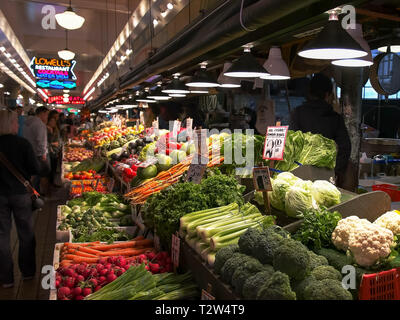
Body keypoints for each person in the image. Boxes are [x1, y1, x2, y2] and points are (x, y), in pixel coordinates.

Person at [0, 108, 40, 288]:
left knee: (2, 236)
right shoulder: (22, 144)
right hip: (21, 194)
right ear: (10, 124)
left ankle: (6, 279)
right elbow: (35, 168)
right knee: (26, 233)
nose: (18, 124)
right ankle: (28, 272)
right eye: (16, 121)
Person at [289, 73, 351, 188]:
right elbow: (345, 148)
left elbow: (291, 145)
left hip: (299, 176)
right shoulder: (335, 118)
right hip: (326, 178)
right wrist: (334, 170)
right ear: (327, 95)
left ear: (310, 92)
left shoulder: (297, 113)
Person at [23, 106, 50, 193]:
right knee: (40, 176)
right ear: (42, 113)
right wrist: (43, 154)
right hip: (39, 155)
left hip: (29, 152)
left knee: (32, 177)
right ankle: (39, 196)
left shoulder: (26, 122)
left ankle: (33, 195)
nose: (47, 117)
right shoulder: (39, 124)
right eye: (46, 115)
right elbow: (41, 141)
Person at [47, 116, 62, 188]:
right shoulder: (46, 130)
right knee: (49, 170)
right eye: (51, 121)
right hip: (49, 152)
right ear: (48, 122)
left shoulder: (56, 130)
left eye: (54, 121)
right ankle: (49, 185)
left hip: (55, 152)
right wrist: (52, 143)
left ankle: (52, 183)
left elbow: (58, 141)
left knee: (54, 169)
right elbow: (45, 142)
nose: (53, 123)